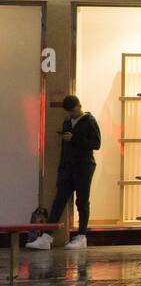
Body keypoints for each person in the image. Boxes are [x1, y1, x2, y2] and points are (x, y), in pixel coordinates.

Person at [27, 95, 101, 250]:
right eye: (69, 112)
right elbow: (64, 148)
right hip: (68, 167)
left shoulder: (89, 121)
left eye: (73, 111)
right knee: (59, 201)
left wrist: (74, 138)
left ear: (79, 106)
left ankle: (81, 236)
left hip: (84, 166)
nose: (72, 114)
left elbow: (96, 144)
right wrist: (61, 167)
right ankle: (47, 237)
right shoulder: (67, 122)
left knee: (82, 201)